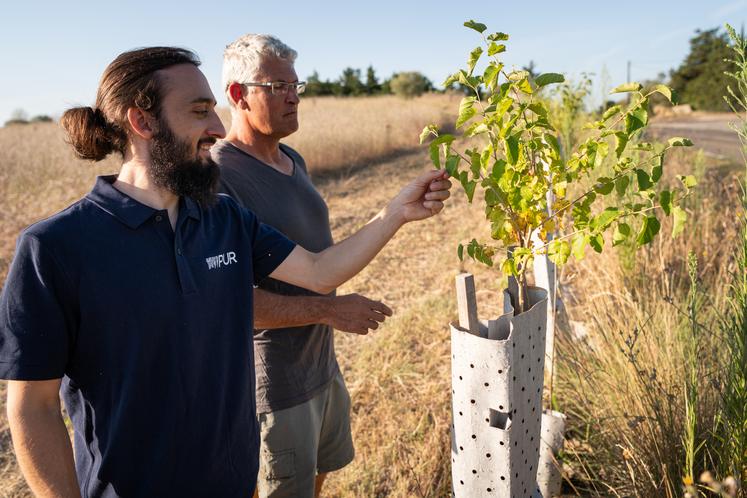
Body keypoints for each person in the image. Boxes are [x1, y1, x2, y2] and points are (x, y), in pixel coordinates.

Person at [0, 47, 451, 498]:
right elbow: (32, 408)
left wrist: (396, 214)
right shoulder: (55, 248)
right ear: (142, 122)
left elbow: (319, 270)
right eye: (199, 111)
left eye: (213, 109)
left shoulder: (224, 218)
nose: (217, 128)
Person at [213, 34, 397, 498]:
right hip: (275, 383)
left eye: (297, 85)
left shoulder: (292, 160)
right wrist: (330, 311)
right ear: (238, 94)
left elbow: (316, 262)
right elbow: (226, 301)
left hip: (321, 367)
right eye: (277, 87)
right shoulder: (218, 177)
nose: (293, 96)